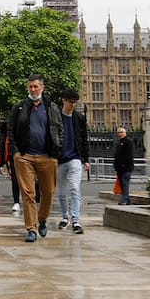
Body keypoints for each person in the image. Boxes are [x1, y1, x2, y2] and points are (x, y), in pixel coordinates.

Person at [7, 73, 62, 243]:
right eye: (30, 86)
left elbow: (60, 130)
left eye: (36, 86)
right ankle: (31, 228)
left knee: (48, 192)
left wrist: (57, 151)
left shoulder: (51, 107)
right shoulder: (20, 107)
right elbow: (11, 130)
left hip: (47, 156)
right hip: (25, 156)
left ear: (42, 88)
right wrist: (15, 153)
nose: (33, 89)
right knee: (28, 193)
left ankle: (43, 219)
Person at [55, 88, 90, 233]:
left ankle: (76, 220)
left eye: (75, 102)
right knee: (62, 191)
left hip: (75, 158)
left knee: (75, 188)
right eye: (71, 102)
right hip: (59, 159)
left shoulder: (79, 118)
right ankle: (65, 217)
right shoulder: (56, 117)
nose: (73, 105)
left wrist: (86, 159)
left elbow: (84, 138)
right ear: (63, 100)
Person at [113, 127, 135, 205]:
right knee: (122, 184)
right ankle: (126, 199)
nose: (120, 134)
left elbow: (129, 155)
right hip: (119, 168)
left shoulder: (128, 142)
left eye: (121, 132)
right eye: (118, 132)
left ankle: (125, 200)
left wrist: (124, 164)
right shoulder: (119, 142)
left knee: (125, 183)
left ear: (125, 133)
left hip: (126, 168)